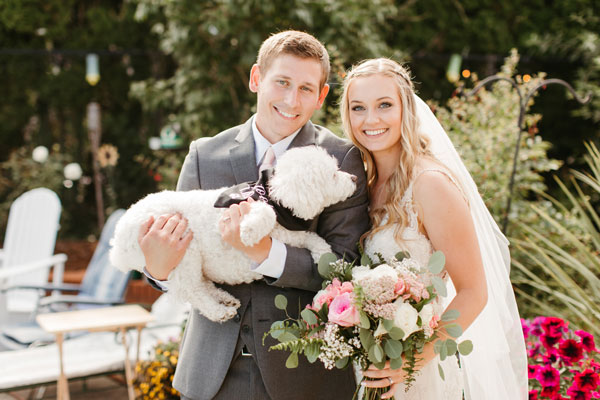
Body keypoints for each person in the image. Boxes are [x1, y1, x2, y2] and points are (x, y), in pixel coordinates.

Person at [138, 31, 370, 400]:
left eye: (306, 88)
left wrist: (267, 254)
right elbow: (170, 256)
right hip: (212, 374)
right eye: (282, 82)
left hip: (305, 375)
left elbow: (345, 266)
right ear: (256, 79)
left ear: (322, 95)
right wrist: (159, 269)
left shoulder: (340, 160)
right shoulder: (204, 155)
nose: (292, 99)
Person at [340, 58, 528, 399]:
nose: (371, 119)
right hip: (367, 369)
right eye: (358, 108)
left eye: (384, 105)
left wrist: (409, 363)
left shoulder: (429, 184)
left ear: (406, 109)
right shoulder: (362, 183)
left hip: (415, 376)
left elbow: (474, 292)